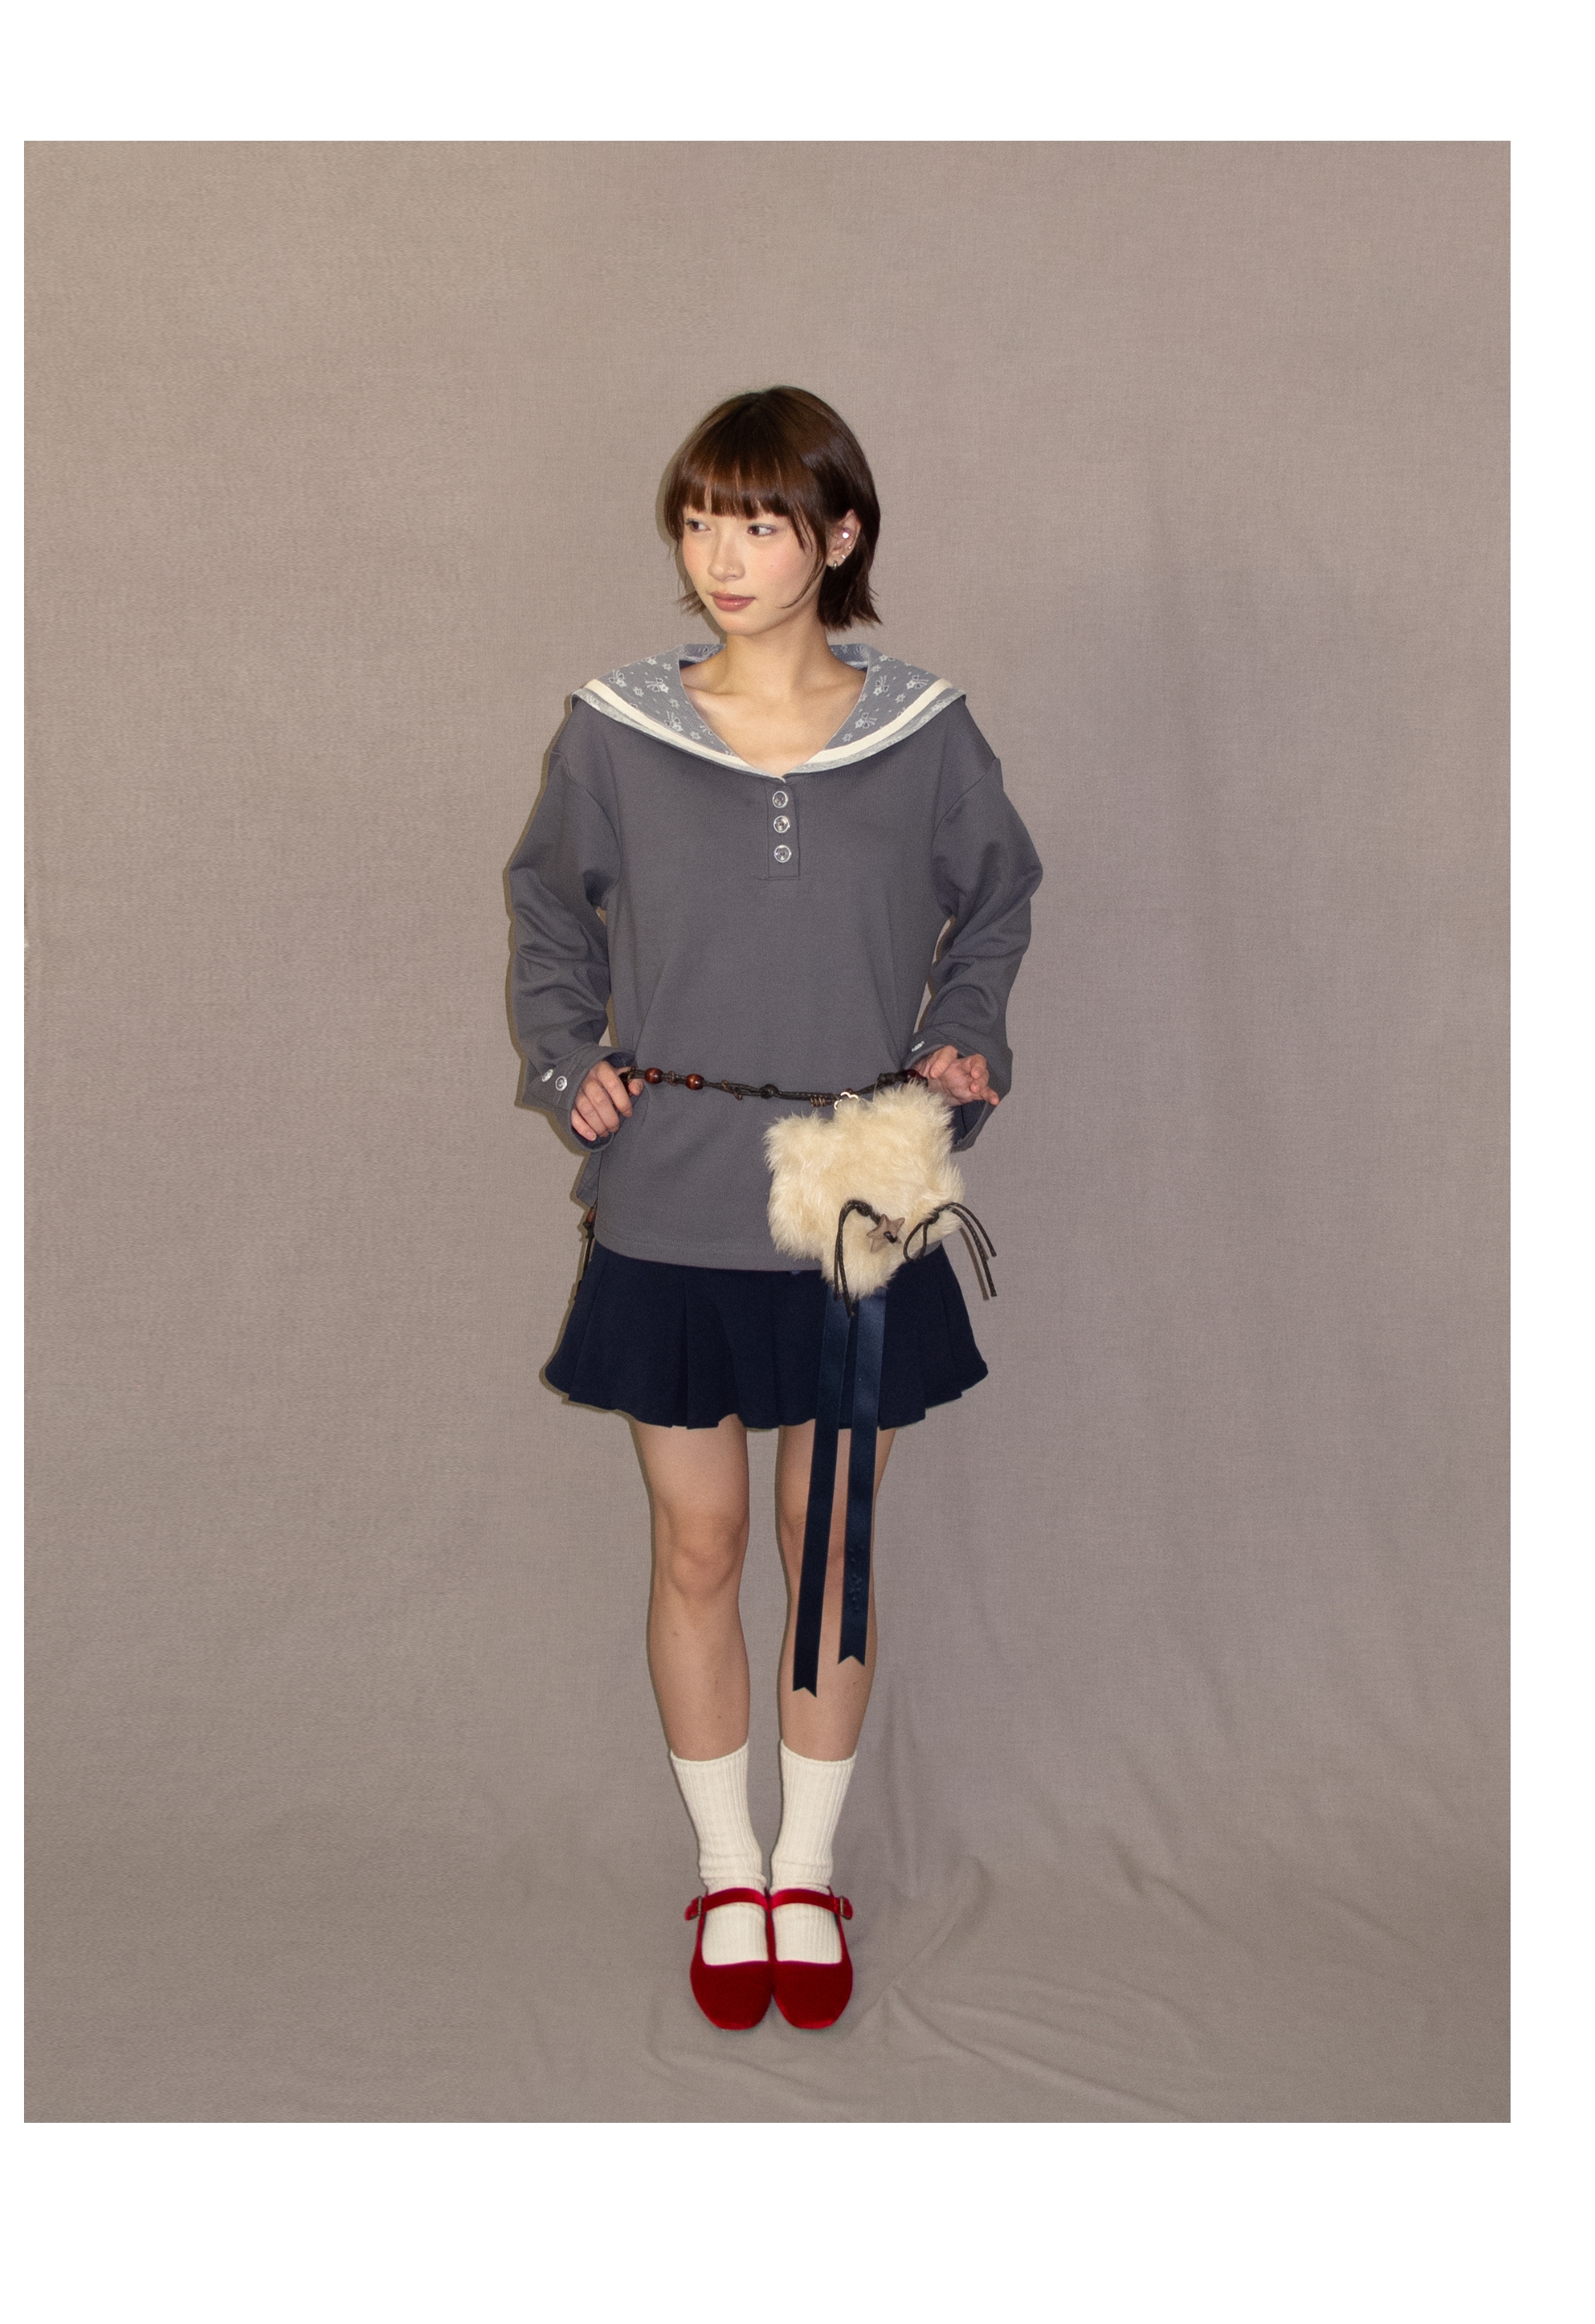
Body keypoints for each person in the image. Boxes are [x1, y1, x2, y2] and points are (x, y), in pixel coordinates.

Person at [507, 387, 1042, 2031]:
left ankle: (805, 1876)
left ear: (839, 535)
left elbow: (997, 903)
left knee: (832, 1544)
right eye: (699, 521)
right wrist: (566, 1059)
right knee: (703, 1539)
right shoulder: (616, 730)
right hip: (673, 1188)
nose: (721, 556)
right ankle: (727, 1871)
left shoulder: (924, 733)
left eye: (757, 522)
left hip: (858, 1200)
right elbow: (548, 911)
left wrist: (965, 1037)